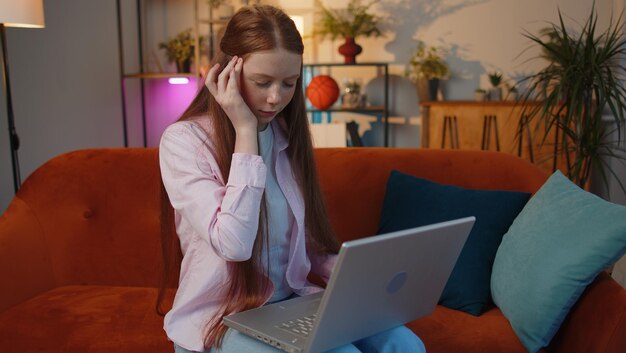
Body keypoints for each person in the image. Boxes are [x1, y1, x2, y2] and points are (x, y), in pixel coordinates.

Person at [158, 4, 426, 353]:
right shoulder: (184, 142)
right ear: (227, 74)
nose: (275, 98)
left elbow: (309, 249)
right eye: (261, 82)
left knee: (405, 345)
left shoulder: (286, 135)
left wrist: (362, 278)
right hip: (222, 317)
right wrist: (244, 129)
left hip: (288, 305)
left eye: (288, 83)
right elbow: (234, 244)